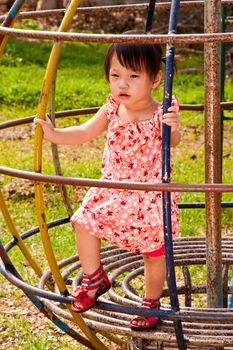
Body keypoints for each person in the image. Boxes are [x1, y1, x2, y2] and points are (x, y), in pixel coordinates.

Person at [33, 42, 181, 331]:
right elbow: (85, 131)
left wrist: (172, 128)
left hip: (149, 195)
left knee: (154, 252)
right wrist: (55, 134)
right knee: (83, 222)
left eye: (133, 76)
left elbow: (172, 143)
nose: (122, 84)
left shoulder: (162, 109)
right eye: (115, 75)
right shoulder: (113, 107)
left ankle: (152, 302)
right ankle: (94, 277)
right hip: (113, 187)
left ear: (155, 79)